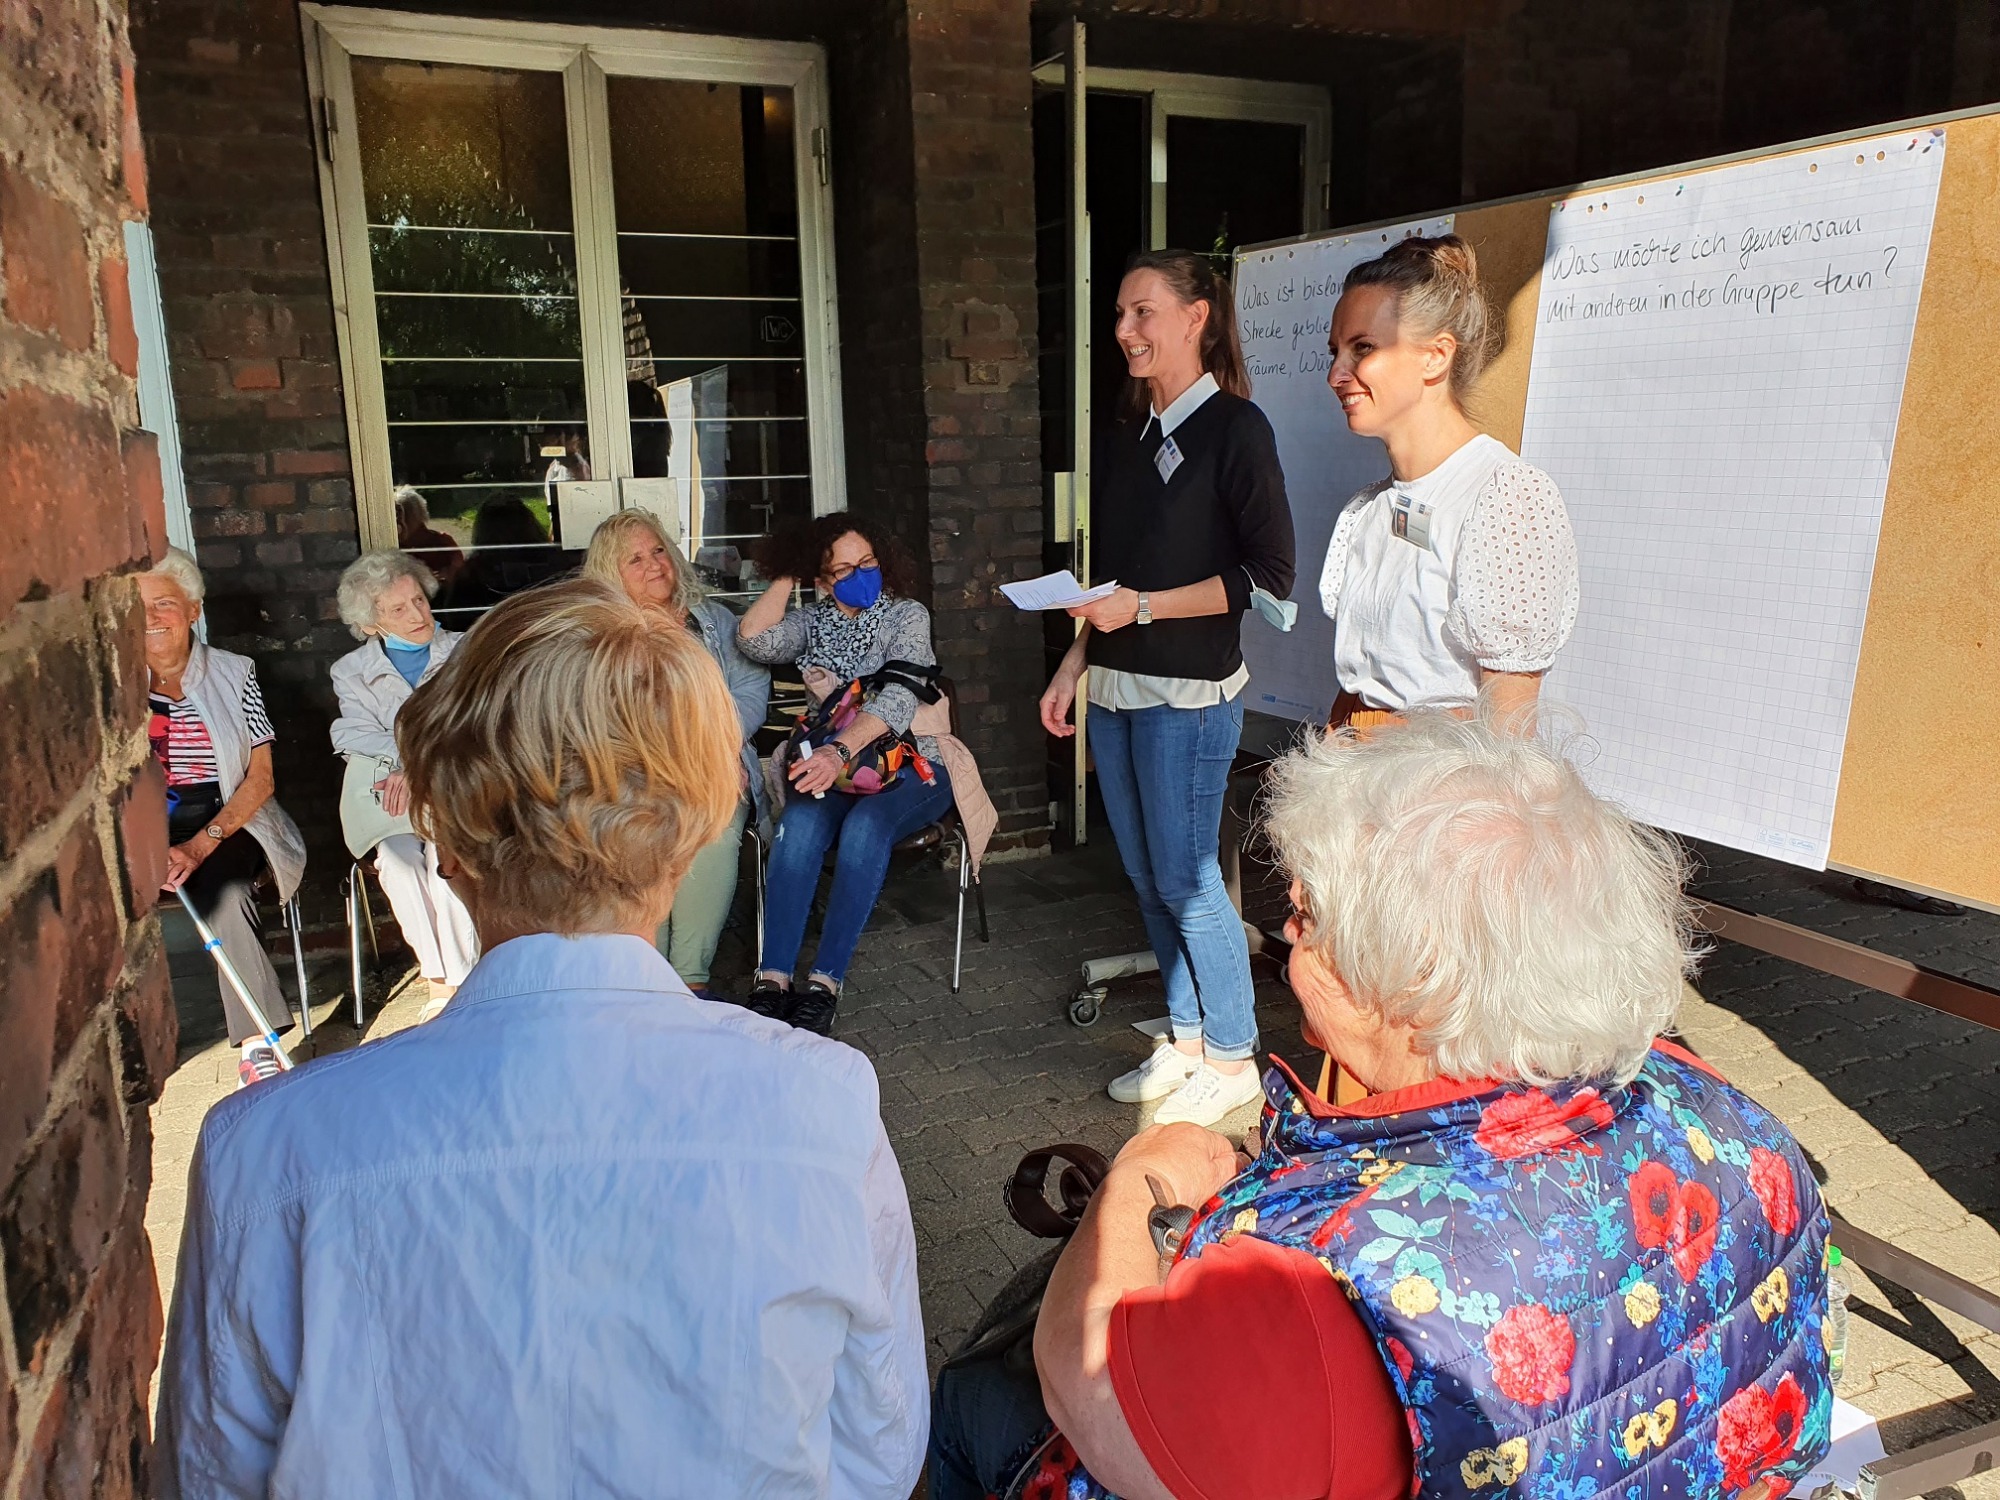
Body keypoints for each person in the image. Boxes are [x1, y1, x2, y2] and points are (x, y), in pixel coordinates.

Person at [157, 577, 929, 1499]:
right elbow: (877, 1456)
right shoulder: (826, 1106)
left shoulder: (259, 1151)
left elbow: (207, 1481)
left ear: (440, 837)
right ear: (696, 833)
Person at [930, 713, 1833, 1500]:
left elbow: (1099, 1399)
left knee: (977, 1399)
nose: (1289, 931)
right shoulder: (1734, 1116)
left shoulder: (1336, 1287)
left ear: (1414, 983)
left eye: (1309, 914)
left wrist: (1140, 1174)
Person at [1038, 248, 1296, 1127]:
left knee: (1190, 880)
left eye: (1142, 312)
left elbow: (1267, 577)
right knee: (1147, 877)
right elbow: (1109, 577)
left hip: (1191, 692)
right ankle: (1185, 1043)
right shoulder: (1127, 436)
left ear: (1197, 317)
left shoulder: (1238, 430)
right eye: (1118, 314)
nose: (1124, 331)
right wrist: (1075, 662)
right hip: (1113, 687)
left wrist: (1142, 608)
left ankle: (1233, 1056)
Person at [737, 512, 995, 1036]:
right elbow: (753, 639)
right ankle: (773, 978)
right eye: (845, 568)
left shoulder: (906, 615)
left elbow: (900, 697)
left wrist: (836, 751)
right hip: (839, 768)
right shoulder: (813, 623)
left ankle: (824, 983)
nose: (862, 573)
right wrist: (790, 570)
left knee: (864, 829)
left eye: (869, 561)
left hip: (916, 759)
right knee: (799, 827)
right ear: (823, 578)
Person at [1319, 235, 1579, 733]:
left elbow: (1508, 733)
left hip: (1435, 790)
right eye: (1335, 351)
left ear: (1436, 356)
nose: (1336, 374)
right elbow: (1364, 690)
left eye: (1363, 348)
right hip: (1349, 782)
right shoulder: (1368, 510)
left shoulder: (1507, 498)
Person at [583, 508, 769, 998]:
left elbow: (752, 686)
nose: (655, 565)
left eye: (658, 550)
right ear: (610, 573)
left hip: (718, 765)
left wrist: (718, 747)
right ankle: (651, 977)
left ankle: (689, 980)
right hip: (639, 775)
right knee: (645, 834)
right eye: (635, 560)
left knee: (716, 829)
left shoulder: (713, 620)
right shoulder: (599, 637)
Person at [140, 547, 308, 1087]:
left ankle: (260, 1041)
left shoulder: (236, 674)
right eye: (139, 607)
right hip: (144, 827)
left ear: (193, 609)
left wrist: (200, 843)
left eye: (164, 602)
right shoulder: (114, 688)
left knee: (225, 891)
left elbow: (260, 779)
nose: (150, 618)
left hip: (231, 819)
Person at [329, 549, 479, 1020]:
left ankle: (461, 979)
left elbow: (474, 723)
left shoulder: (465, 649)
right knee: (396, 860)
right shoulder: (349, 671)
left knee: (445, 854)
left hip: (458, 785)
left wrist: (419, 767)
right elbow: (350, 732)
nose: (418, 614)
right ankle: (437, 978)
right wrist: (402, 762)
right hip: (395, 795)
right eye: (399, 609)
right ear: (371, 624)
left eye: (419, 600)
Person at [393, 485, 464, 586]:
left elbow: (459, 577)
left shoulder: (443, 542)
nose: (398, 522)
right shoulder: (396, 547)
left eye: (401, 516)